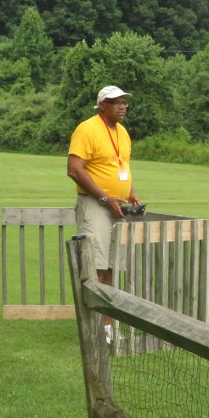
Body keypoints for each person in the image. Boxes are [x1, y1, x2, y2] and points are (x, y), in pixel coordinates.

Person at [67, 85, 143, 295]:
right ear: (102, 105)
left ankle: (107, 327)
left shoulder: (123, 132)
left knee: (113, 267)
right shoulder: (87, 129)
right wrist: (104, 198)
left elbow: (121, 166)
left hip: (118, 206)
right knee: (96, 267)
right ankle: (94, 326)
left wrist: (131, 193)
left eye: (124, 102)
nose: (122, 107)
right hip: (95, 205)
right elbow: (74, 170)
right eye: (116, 102)